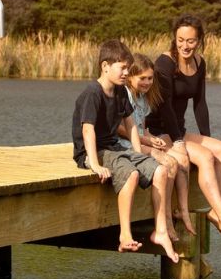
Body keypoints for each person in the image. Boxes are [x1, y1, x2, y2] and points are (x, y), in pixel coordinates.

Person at [72, 39, 179, 262]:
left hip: (115, 148)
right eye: (122, 68)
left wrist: (139, 154)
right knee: (131, 174)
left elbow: (131, 126)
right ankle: (125, 235)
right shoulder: (93, 93)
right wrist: (94, 164)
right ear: (105, 66)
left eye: (128, 68)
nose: (126, 73)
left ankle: (160, 230)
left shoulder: (120, 91)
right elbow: (87, 131)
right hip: (95, 151)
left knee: (160, 170)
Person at [148, 14, 221, 238]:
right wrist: (177, 141)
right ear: (174, 39)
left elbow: (200, 104)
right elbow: (164, 106)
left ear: (199, 40)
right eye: (180, 40)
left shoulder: (199, 63)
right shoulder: (165, 63)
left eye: (191, 41)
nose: (185, 46)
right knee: (205, 156)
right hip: (159, 131)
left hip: (179, 130)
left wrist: (207, 138)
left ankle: (216, 212)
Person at [116, 55, 195, 240]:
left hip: (140, 140)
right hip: (124, 144)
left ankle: (178, 212)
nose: (147, 82)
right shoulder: (124, 94)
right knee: (169, 162)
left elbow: (142, 127)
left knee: (180, 160)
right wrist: (146, 140)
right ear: (130, 77)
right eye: (142, 78)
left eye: (150, 78)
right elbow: (119, 128)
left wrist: (151, 138)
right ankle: (165, 222)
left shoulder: (143, 98)